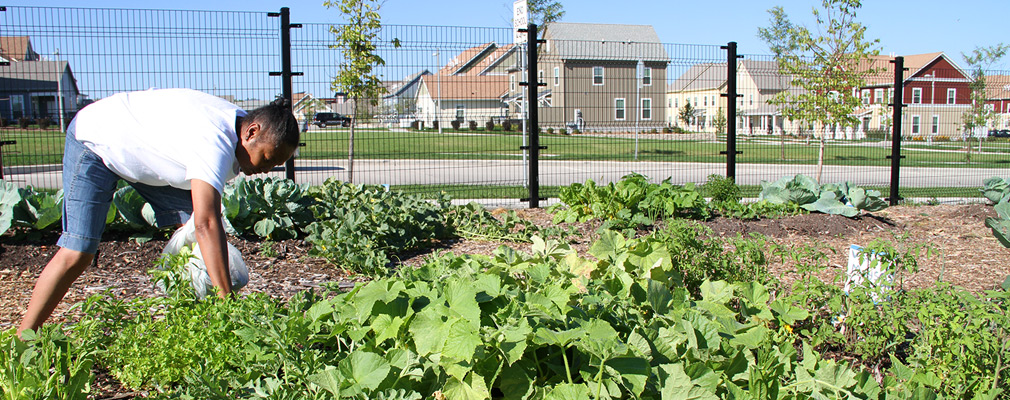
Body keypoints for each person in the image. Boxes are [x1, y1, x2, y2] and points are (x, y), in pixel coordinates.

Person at [18, 88, 299, 336]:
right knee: (78, 251)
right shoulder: (214, 140)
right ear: (252, 132)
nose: (266, 169)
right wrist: (227, 301)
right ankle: (24, 337)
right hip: (96, 142)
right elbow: (206, 224)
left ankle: (197, 322)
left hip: (142, 155)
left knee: (199, 235)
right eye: (268, 158)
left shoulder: (240, 126)